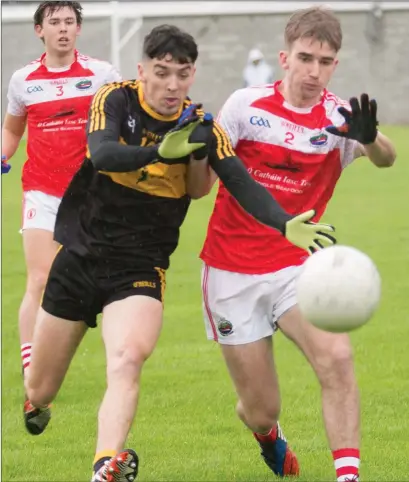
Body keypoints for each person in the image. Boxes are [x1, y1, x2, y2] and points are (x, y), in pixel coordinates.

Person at [23, 24, 337, 482]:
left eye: (182, 74)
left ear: (192, 75)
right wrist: (155, 152)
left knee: (128, 358)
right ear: (142, 70)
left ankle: (105, 464)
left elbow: (239, 179)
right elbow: (103, 154)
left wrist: (283, 222)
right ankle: (37, 402)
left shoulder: (200, 127)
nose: (172, 85)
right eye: (162, 72)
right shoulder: (115, 99)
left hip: (139, 269)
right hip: (79, 257)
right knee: (42, 385)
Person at [200, 6, 396, 481]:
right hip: (231, 270)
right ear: (284, 58)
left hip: (296, 269)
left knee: (338, 358)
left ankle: (347, 475)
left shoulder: (339, 117)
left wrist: (370, 141)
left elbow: (387, 158)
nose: (314, 71)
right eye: (306, 58)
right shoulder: (244, 106)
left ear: (335, 65)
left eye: (325, 62)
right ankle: (269, 437)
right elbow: (203, 182)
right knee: (261, 409)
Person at [1, 0, 121, 434]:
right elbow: (13, 129)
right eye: (55, 23)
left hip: (91, 193)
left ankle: (118, 367)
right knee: (39, 278)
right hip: (42, 192)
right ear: (40, 30)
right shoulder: (23, 81)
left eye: (70, 22)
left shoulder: (101, 74)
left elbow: (120, 122)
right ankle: (32, 371)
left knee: (104, 282)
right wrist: (4, 152)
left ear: (78, 29)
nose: (64, 29)